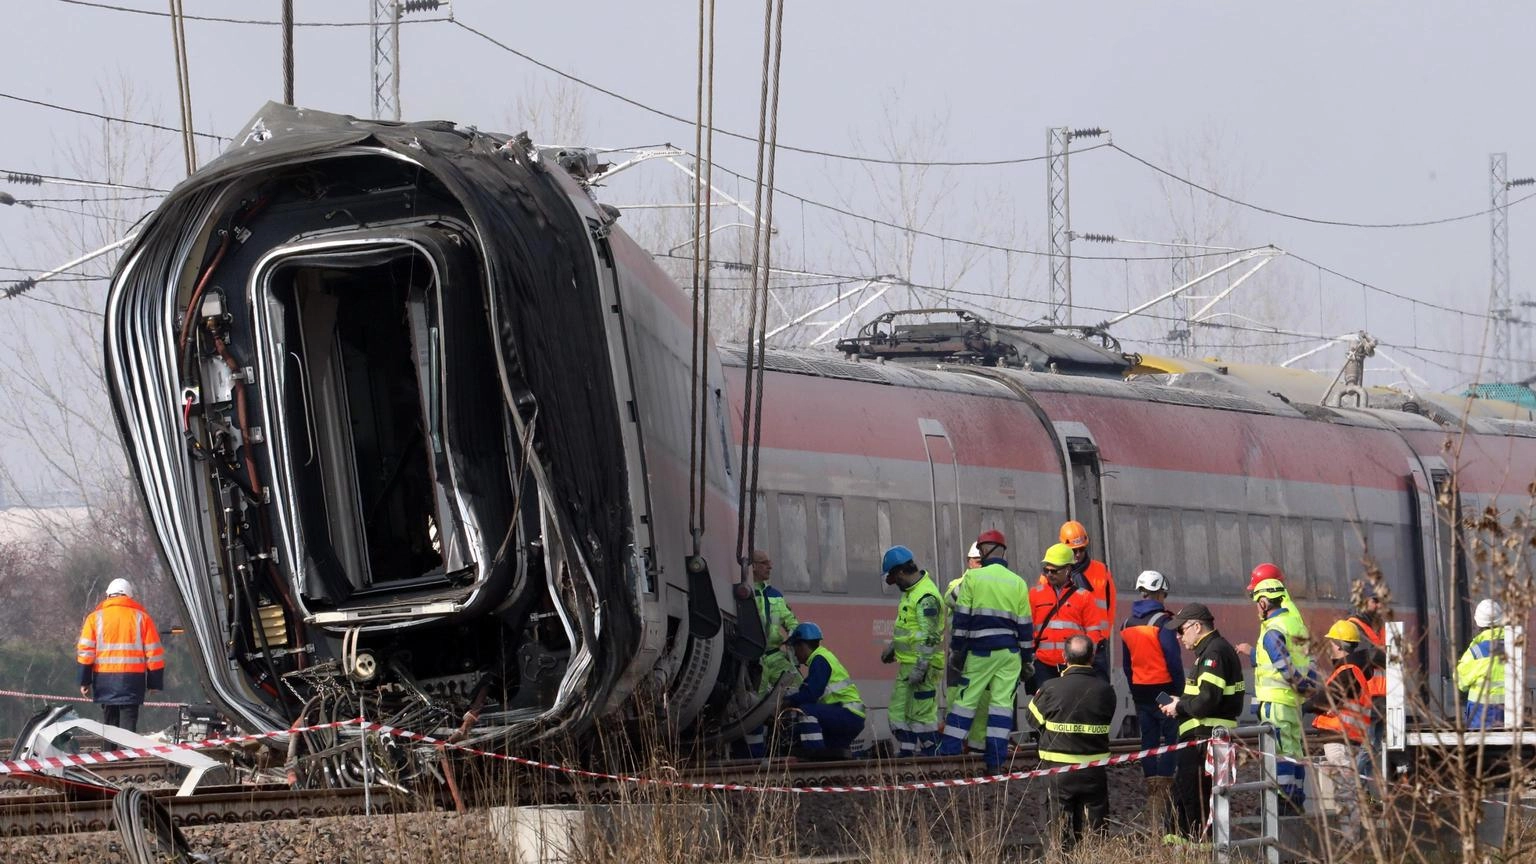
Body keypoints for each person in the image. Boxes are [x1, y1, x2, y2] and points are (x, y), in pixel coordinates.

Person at [937, 529, 1033, 770]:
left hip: (980, 653)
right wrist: (1027, 660)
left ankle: (948, 757)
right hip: (1010, 656)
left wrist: (957, 652)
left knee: (965, 702)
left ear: (983, 551)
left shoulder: (972, 579)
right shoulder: (1018, 583)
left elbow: (961, 620)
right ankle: (996, 763)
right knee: (1001, 707)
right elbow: (1024, 626)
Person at [1159, 603, 1245, 843]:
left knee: (1193, 801)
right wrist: (1181, 702)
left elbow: (1207, 699)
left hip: (1203, 741)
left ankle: (1196, 851)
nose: (1178, 636)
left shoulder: (1213, 653)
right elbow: (1204, 696)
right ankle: (1180, 847)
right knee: (1185, 799)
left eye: (1181, 630)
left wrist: (1179, 706)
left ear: (1197, 627)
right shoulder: (1211, 651)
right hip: (1199, 740)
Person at [1028, 634, 1116, 851]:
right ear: (1092, 657)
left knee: (1058, 831)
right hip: (1094, 770)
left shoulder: (1051, 687)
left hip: (1058, 772)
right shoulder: (1106, 690)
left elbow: (1032, 720)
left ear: (1064, 656)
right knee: (1095, 831)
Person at [1120, 569, 1184, 832]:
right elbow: (1173, 661)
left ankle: (1151, 785)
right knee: (1170, 741)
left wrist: (1134, 686)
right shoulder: (1163, 623)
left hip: (1141, 691)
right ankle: (1165, 787)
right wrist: (1179, 691)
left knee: (1148, 740)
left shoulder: (1126, 624)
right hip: (1164, 692)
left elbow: (1126, 664)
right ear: (1160, 593)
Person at [1250, 577, 1317, 811]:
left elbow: (1283, 664)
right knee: (1294, 751)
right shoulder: (1296, 624)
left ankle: (1282, 800)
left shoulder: (1272, 630)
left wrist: (1297, 683)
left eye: (1257, 601)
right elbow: (1311, 662)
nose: (1257, 606)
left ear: (1265, 602)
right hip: (1293, 703)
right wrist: (1307, 688)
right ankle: (1296, 798)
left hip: (1276, 700)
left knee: (1279, 752)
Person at [1306, 620, 1373, 842]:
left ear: (1338, 646)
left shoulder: (1348, 672)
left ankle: (1351, 843)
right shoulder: (1354, 670)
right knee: (1348, 793)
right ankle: (1354, 841)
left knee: (1345, 795)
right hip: (1349, 741)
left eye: (1331, 643)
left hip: (1341, 742)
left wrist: (1308, 705)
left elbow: (1331, 697)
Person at [76, 578, 165, 733]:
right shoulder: (142, 618)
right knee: (128, 724)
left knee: (109, 723)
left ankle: (109, 755)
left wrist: (84, 681)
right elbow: (154, 653)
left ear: (108, 595)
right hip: (133, 680)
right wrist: (154, 682)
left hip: (104, 680)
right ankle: (126, 755)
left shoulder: (94, 618)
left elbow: (86, 652)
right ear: (129, 596)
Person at [880, 546, 944, 756]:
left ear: (899, 572)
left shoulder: (926, 596)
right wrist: (893, 648)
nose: (893, 583)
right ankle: (907, 753)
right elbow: (909, 630)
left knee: (921, 718)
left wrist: (922, 666)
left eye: (892, 578)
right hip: (909, 666)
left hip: (923, 668)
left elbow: (930, 636)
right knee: (898, 714)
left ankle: (933, 757)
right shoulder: (911, 594)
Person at [741, 550, 800, 757]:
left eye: (770, 563)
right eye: (764, 563)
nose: (769, 567)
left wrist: (794, 632)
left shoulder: (775, 595)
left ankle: (789, 745)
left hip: (775, 657)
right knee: (754, 707)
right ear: (753, 567)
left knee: (796, 692)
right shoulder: (745, 592)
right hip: (753, 660)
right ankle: (755, 755)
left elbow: (790, 619)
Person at [780, 622, 866, 755]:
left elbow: (811, 695)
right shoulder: (823, 658)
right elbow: (806, 690)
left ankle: (814, 757)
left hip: (847, 714)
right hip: (852, 716)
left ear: (802, 646)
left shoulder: (819, 660)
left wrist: (786, 703)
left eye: (795, 648)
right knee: (835, 753)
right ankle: (870, 754)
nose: (795, 654)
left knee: (804, 712)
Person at [1029, 543, 1106, 690]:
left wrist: (1086, 660)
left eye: (1054, 571)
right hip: (1043, 666)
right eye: (1046, 570)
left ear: (1068, 569)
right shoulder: (1034, 595)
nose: (1049, 574)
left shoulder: (1084, 597)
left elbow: (1094, 633)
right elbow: (1028, 629)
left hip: (1073, 667)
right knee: (1045, 708)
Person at [943, 543, 988, 754]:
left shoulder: (991, 585)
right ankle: (955, 747)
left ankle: (977, 746)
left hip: (982, 654)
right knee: (955, 700)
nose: (980, 566)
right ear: (969, 562)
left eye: (983, 563)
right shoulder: (958, 584)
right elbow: (951, 599)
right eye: (977, 562)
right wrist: (974, 582)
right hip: (960, 655)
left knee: (982, 702)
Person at [1059, 520, 1117, 670]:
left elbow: (1111, 605)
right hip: (1069, 645)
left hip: (1096, 643)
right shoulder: (1053, 573)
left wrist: (1103, 636)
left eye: (1081, 549)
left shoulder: (1101, 570)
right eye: (1074, 550)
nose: (1078, 554)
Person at [1457, 599, 1506, 729]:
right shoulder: (1515, 649)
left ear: (1478, 624)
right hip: (1510, 719)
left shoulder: (1475, 652)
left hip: (1480, 721)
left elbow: (1460, 682)